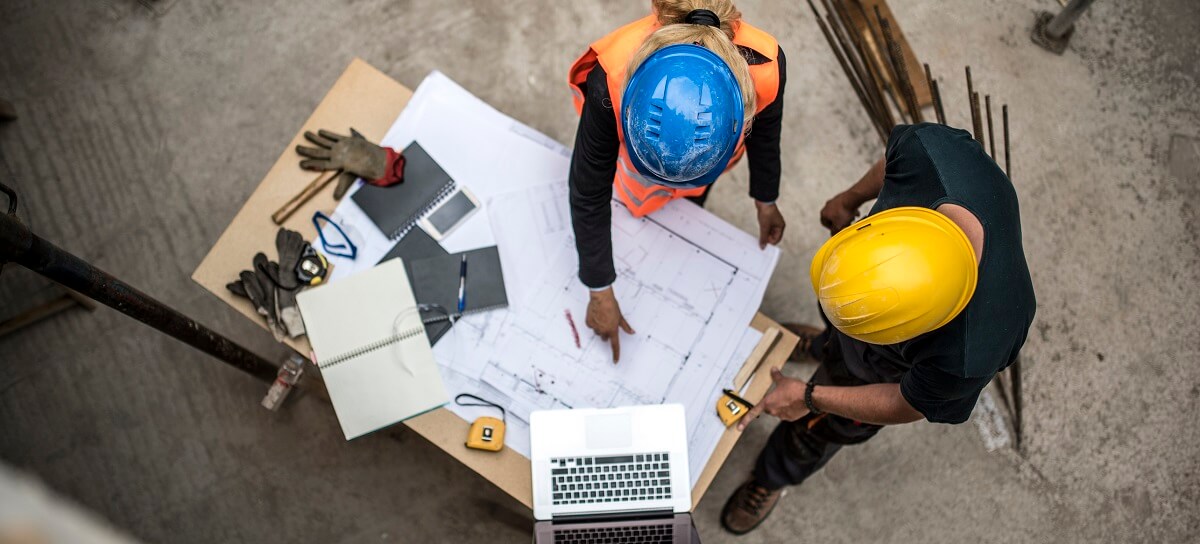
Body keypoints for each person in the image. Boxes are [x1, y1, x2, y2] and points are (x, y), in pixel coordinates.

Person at [719, 123, 1037, 535]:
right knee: (838, 336)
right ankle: (823, 345)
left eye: (865, 329)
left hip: (882, 372)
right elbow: (892, 162)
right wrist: (850, 199)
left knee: (818, 429)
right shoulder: (931, 155)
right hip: (877, 304)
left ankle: (773, 476)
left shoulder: (971, 350)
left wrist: (811, 398)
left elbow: (906, 403)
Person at [568, 0, 788, 362]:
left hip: (706, 169)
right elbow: (589, 190)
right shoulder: (611, 79)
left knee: (684, 213)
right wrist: (599, 288)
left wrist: (766, 198)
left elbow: (767, 134)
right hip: (634, 178)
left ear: (740, 116)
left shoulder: (765, 66)